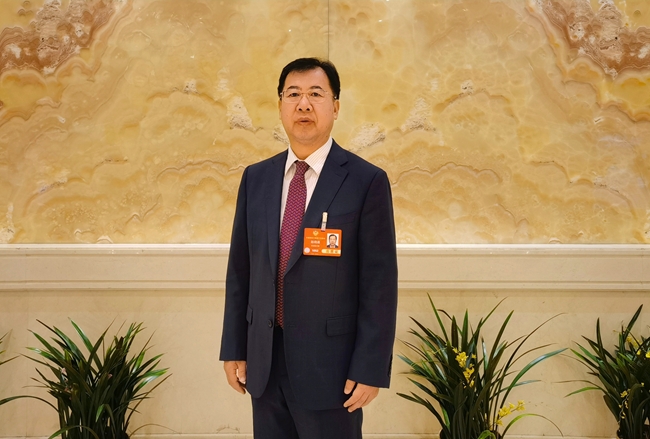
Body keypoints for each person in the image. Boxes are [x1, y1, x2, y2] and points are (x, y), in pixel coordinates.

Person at [219, 57, 398, 439]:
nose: (303, 104)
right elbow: (241, 271)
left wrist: (370, 367)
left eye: (316, 94)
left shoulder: (365, 181)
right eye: (293, 94)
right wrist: (234, 347)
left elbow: (379, 285)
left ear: (335, 106)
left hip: (331, 370)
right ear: (280, 105)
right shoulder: (257, 178)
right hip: (265, 364)